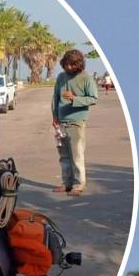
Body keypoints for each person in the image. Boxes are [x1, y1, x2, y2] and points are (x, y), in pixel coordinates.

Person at [52, 48, 96, 196]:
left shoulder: (86, 78)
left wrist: (74, 99)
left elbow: (93, 98)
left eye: (72, 65)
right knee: (64, 156)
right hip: (61, 123)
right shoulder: (61, 77)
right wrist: (54, 117)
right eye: (67, 64)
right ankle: (66, 183)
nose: (69, 67)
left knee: (76, 155)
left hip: (77, 122)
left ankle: (78, 185)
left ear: (79, 64)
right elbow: (55, 98)